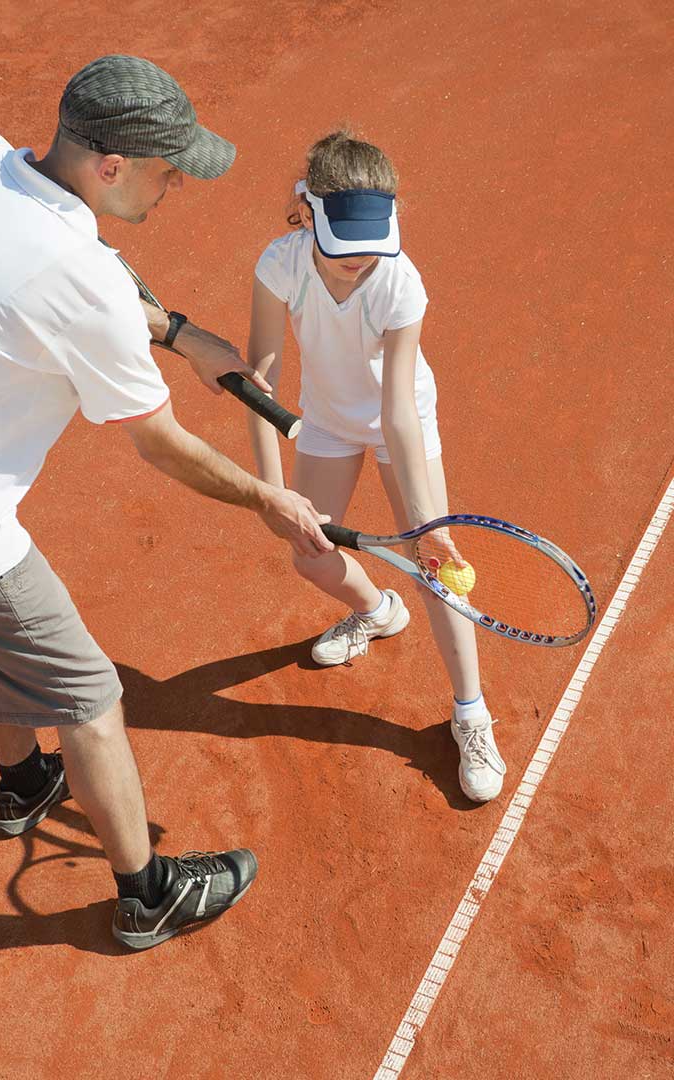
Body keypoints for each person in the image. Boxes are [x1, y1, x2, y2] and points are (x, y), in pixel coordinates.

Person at [0, 55, 332, 950]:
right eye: (167, 170)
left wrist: (177, 333)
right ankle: (146, 895)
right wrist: (267, 499)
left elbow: (23, 266)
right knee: (89, 694)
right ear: (111, 166)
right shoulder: (84, 283)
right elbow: (161, 444)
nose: (176, 186)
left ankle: (23, 780)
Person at [245, 130, 506, 803]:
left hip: (400, 421)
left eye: (370, 247)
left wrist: (427, 528)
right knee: (307, 553)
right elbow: (258, 385)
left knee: (437, 570)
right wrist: (271, 491)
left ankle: (471, 713)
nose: (358, 262)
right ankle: (377, 609)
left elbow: (397, 413)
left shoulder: (399, 282)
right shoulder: (280, 265)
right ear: (309, 213)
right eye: (343, 249)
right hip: (328, 419)